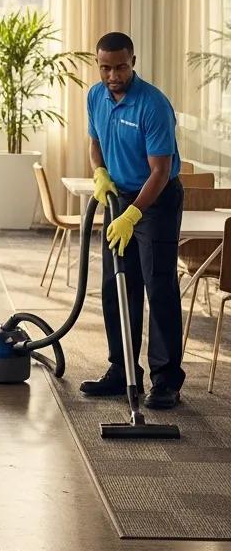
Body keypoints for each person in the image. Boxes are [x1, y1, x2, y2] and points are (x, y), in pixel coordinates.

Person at [80, 31, 185, 409]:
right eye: (105, 67)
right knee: (117, 285)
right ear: (98, 64)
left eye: (120, 66)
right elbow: (94, 142)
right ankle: (122, 370)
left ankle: (166, 381)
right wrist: (100, 173)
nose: (113, 75)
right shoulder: (95, 96)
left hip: (155, 202)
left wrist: (134, 213)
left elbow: (160, 171)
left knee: (158, 286)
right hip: (119, 198)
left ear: (133, 62)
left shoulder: (153, 105)